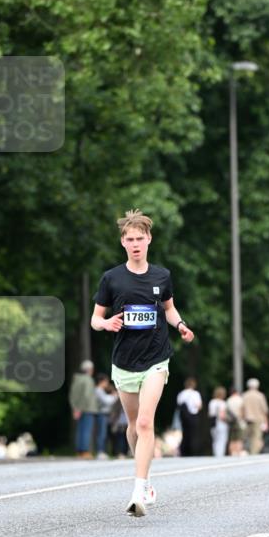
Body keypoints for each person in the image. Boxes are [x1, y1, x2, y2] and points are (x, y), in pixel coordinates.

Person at [91, 209, 195, 517]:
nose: (136, 244)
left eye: (140, 238)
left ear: (149, 239)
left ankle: (138, 489)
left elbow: (169, 309)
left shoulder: (161, 275)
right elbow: (95, 319)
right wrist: (106, 323)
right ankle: (146, 475)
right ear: (123, 242)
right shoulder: (112, 278)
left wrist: (181, 326)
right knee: (133, 427)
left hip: (155, 358)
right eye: (130, 239)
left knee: (146, 422)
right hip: (124, 362)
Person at [69, 359, 97, 458]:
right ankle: (85, 451)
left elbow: (73, 395)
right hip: (88, 408)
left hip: (79, 408)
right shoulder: (88, 380)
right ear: (90, 369)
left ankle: (80, 451)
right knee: (86, 430)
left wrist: (76, 408)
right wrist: (80, 408)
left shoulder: (77, 379)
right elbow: (87, 396)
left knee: (80, 430)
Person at [242, 378, 269, 454]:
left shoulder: (244, 395)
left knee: (247, 436)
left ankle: (246, 450)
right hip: (258, 419)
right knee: (257, 437)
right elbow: (265, 410)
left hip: (247, 418)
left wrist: (242, 418)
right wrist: (267, 421)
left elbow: (242, 408)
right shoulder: (260, 396)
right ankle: (253, 453)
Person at [177, 377, 203, 456]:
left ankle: (183, 451)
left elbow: (179, 404)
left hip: (184, 417)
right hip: (193, 416)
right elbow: (199, 406)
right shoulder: (195, 394)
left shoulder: (181, 394)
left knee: (185, 434)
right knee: (193, 434)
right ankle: (192, 451)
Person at [95, 373, 116, 459]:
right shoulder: (98, 390)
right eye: (106, 381)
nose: (107, 384)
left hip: (104, 415)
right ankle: (100, 452)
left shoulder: (100, 391)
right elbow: (107, 402)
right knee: (101, 434)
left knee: (103, 434)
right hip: (101, 414)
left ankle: (102, 451)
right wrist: (114, 396)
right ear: (102, 381)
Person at [208, 386, 229, 458]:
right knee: (222, 440)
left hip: (213, 423)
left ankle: (215, 454)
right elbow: (222, 415)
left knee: (215, 440)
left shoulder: (212, 402)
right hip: (221, 423)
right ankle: (220, 455)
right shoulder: (223, 403)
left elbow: (210, 414)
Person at [225, 387, 246, 456]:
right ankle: (238, 451)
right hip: (239, 421)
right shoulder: (240, 400)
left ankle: (232, 452)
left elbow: (226, 412)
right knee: (239, 438)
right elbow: (243, 410)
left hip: (231, 422)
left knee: (232, 438)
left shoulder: (228, 400)